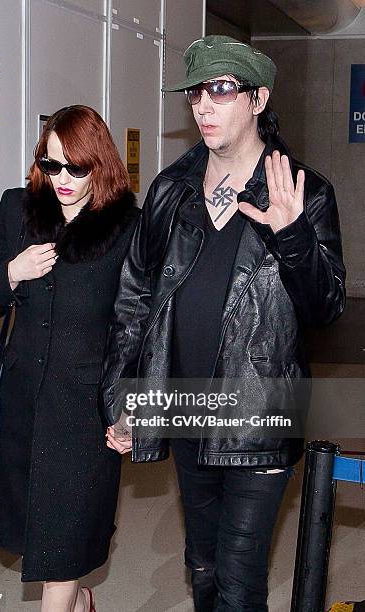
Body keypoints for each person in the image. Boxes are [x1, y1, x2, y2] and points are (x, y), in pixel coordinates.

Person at [101, 36, 346, 611]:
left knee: (239, 581)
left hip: (263, 409)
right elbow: (135, 300)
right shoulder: (171, 190)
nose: (204, 106)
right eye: (195, 94)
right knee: (204, 568)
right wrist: (124, 397)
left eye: (221, 90)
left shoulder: (302, 193)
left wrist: (292, 236)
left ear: (257, 99)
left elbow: (327, 309)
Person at [0, 105, 139, 612]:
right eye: (51, 165)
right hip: (26, 403)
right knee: (38, 548)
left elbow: (137, 329)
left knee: (60, 558)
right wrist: (13, 271)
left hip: (85, 412)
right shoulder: (17, 210)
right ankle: (81, 600)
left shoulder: (128, 228)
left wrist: (131, 407)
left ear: (101, 164)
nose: (62, 179)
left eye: (76, 167)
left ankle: (70, 595)